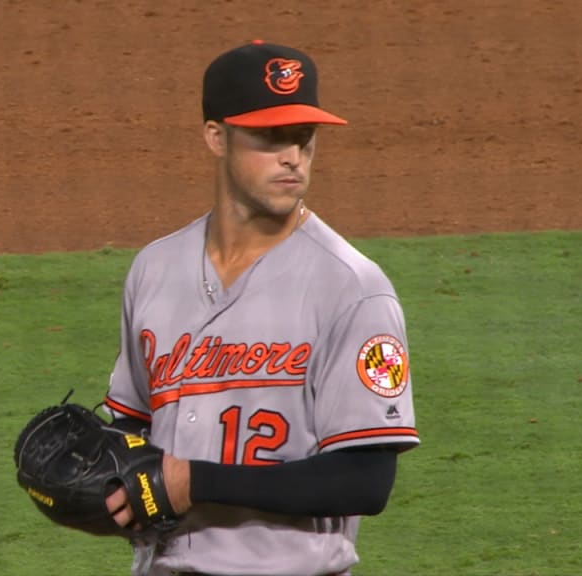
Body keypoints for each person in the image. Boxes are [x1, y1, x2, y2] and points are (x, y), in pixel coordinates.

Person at [101, 40, 420, 576]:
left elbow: (365, 480)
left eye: (303, 139)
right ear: (216, 137)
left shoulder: (353, 288)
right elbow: (132, 423)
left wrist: (193, 482)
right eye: (269, 137)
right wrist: (102, 472)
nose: (292, 156)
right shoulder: (154, 269)